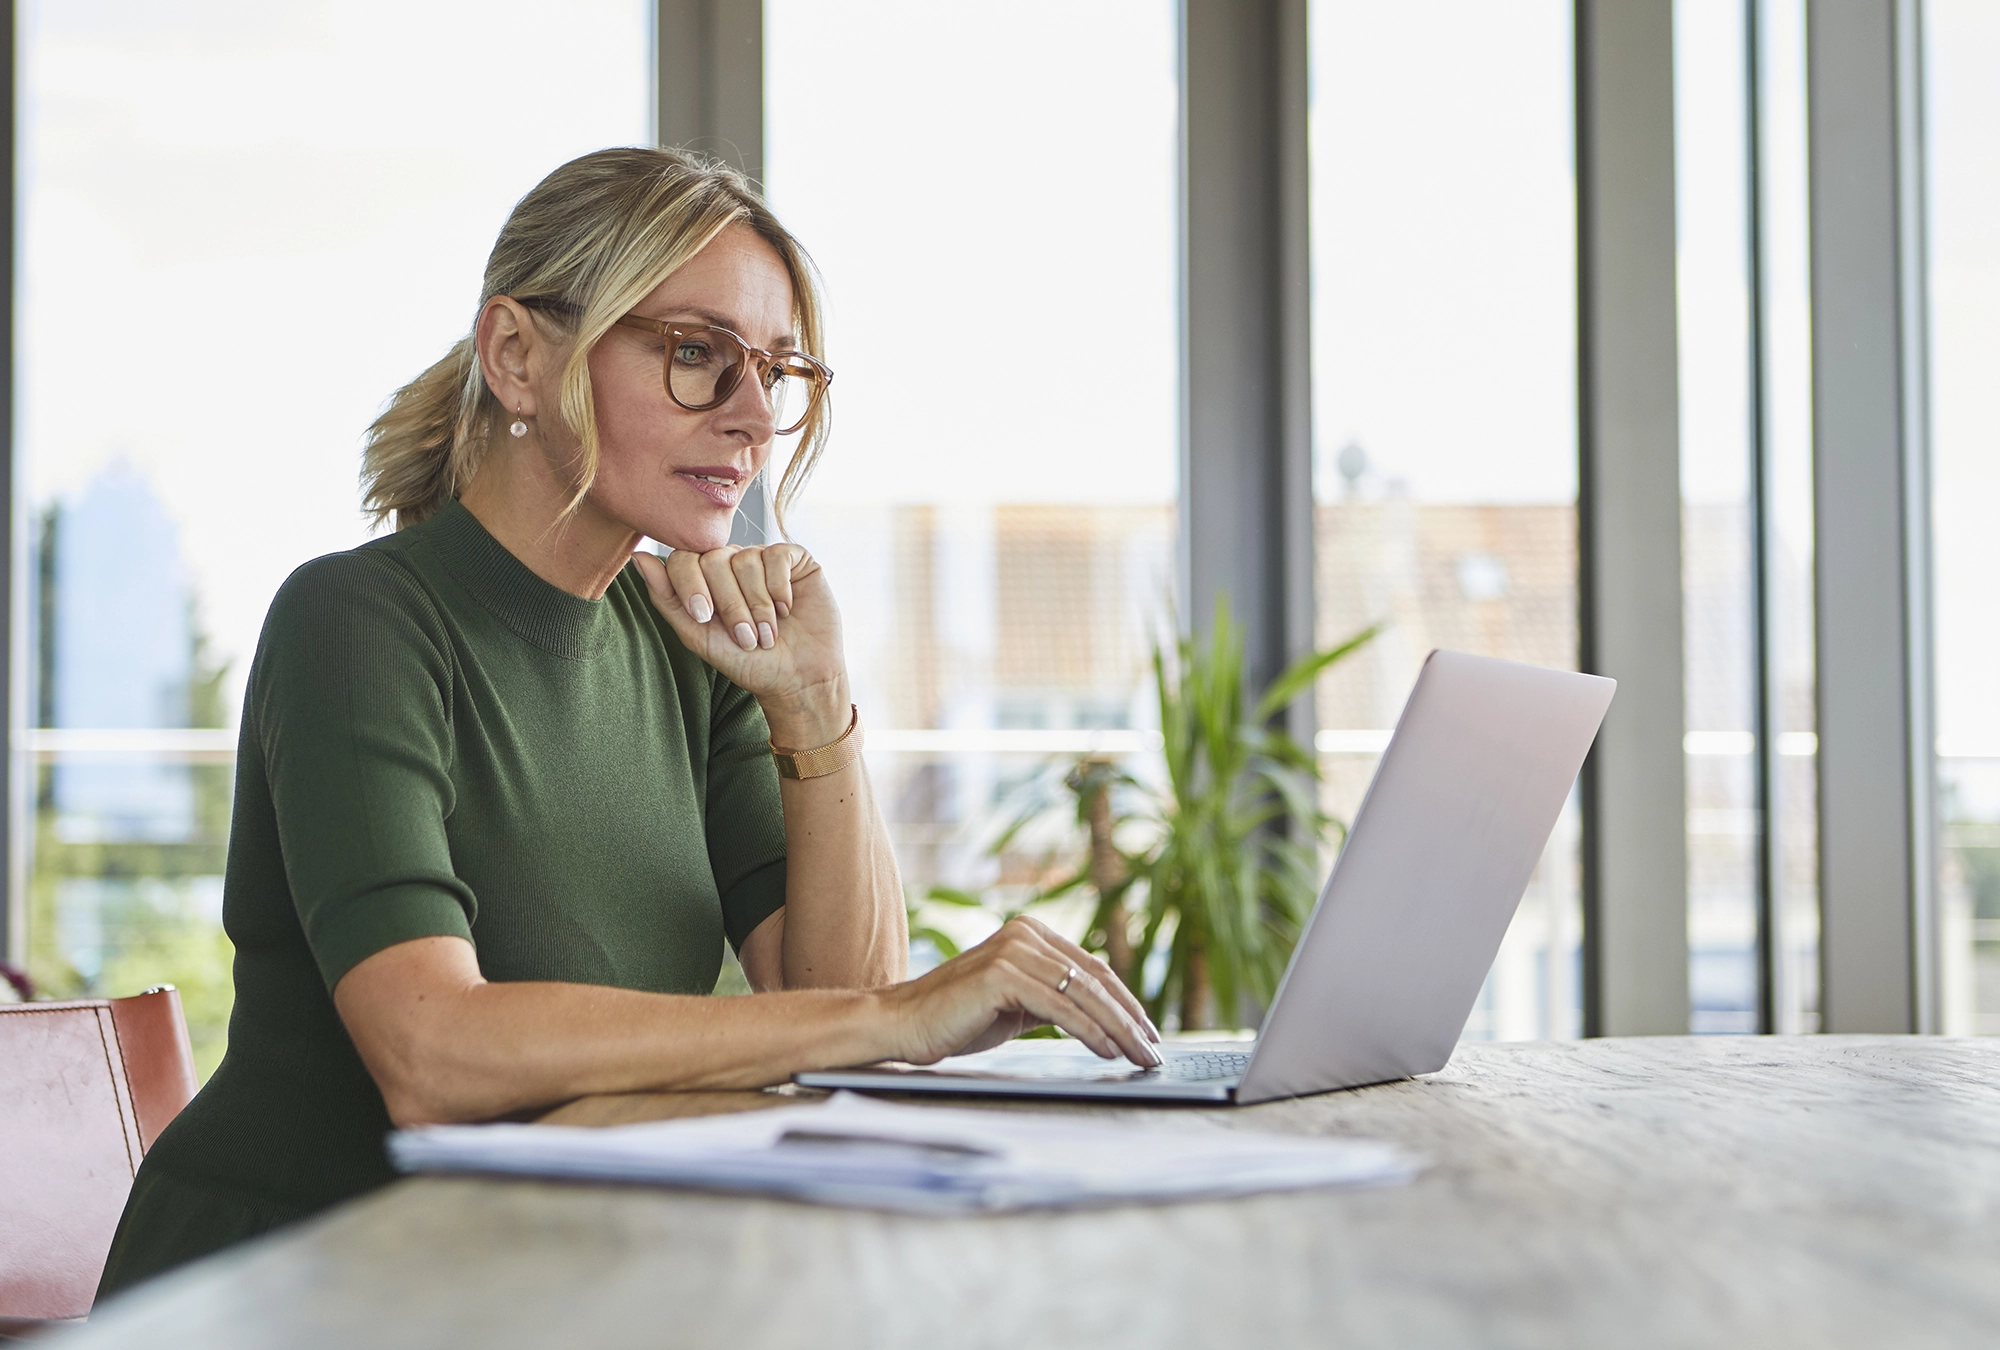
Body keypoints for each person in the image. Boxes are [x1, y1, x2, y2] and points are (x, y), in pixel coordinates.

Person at [95, 147, 1160, 1300]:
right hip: (301, 1282)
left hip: (557, 1274)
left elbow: (836, 1001)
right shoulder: (357, 620)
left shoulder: (684, 643)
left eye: (776, 371)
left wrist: (812, 708)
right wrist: (891, 1014)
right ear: (516, 355)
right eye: (697, 355)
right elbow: (432, 1054)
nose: (754, 417)